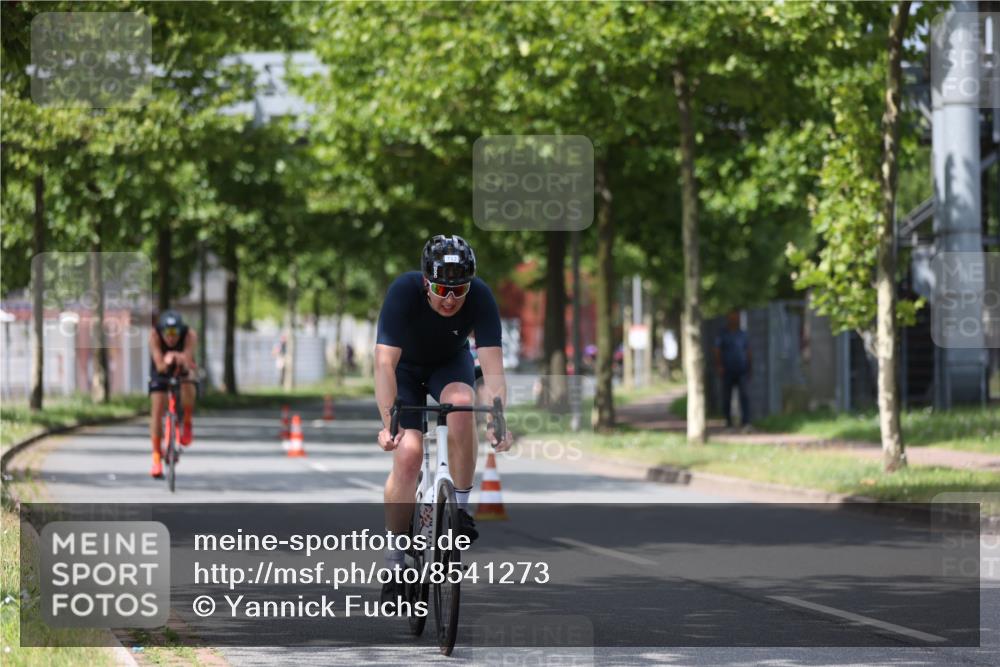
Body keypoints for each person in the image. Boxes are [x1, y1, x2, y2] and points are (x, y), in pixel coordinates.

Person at [374, 234, 513, 603]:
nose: (450, 299)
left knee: (463, 403)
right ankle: (394, 562)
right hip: (404, 370)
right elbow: (384, 363)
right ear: (425, 282)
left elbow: (494, 369)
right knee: (408, 453)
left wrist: (498, 419)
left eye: (458, 290)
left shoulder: (481, 297)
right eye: (440, 289)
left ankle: (461, 509)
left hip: (449, 365)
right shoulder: (403, 292)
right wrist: (389, 423)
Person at [148, 310, 198, 478]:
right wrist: (166, 360)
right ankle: (156, 457)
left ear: (180, 330)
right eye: (167, 333)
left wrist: (178, 357)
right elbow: (159, 364)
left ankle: (187, 422)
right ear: (161, 331)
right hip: (161, 368)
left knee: (189, 382)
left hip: (182, 365)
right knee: (157, 408)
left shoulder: (189, 335)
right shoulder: (154, 336)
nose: (171, 337)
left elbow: (188, 359)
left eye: (174, 332)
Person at [714, 311, 752, 429]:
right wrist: (719, 366)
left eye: (737, 317)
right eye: (733, 317)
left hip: (742, 369)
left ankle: (745, 421)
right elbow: (716, 350)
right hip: (727, 370)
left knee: (744, 396)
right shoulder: (722, 334)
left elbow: (748, 351)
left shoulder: (743, 334)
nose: (735, 319)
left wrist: (750, 367)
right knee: (727, 397)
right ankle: (728, 421)